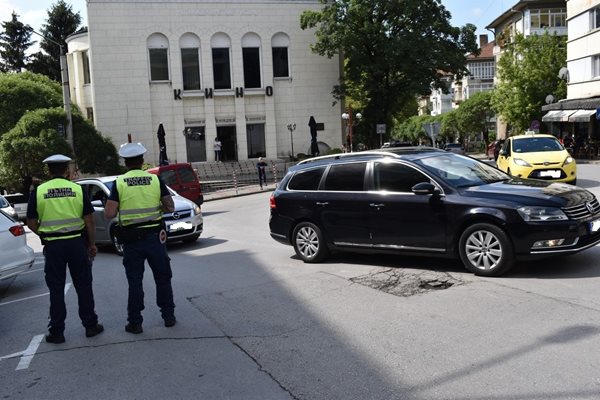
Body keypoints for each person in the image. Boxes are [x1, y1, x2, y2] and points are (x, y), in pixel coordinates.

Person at [26, 154, 103, 344]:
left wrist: (45, 235)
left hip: (53, 246)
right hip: (77, 243)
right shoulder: (77, 189)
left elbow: (31, 222)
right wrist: (91, 243)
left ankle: (57, 332)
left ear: (49, 171)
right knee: (83, 285)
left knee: (56, 288)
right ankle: (90, 326)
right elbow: (89, 220)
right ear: (67, 171)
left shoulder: (39, 191)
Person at [104, 143, 176, 334]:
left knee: (135, 281)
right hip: (155, 238)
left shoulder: (119, 183)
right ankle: (168, 316)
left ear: (125, 163)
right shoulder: (154, 179)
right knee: (163, 277)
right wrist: (156, 209)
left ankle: (135, 322)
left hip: (131, 241)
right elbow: (170, 207)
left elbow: (109, 213)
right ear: (142, 161)